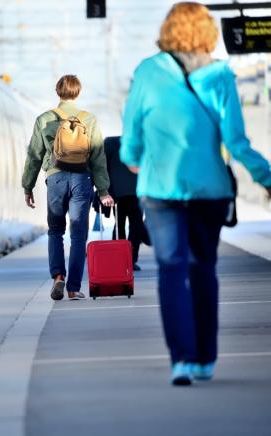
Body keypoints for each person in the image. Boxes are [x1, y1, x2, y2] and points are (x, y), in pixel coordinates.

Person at [120, 2, 271, 385]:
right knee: (202, 268)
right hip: (209, 190)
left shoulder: (148, 72)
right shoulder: (220, 74)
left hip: (160, 190)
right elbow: (236, 141)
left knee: (171, 269)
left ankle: (182, 361)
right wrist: (265, 177)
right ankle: (205, 359)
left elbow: (131, 142)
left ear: (168, 29)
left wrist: (138, 159)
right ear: (208, 31)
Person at [22, 75, 114, 301]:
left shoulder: (44, 119)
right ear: (78, 92)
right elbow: (98, 158)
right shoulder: (89, 120)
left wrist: (28, 186)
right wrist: (103, 190)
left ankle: (58, 277)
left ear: (57, 92)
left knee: (55, 231)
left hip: (55, 179)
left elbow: (34, 156)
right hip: (82, 180)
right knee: (78, 235)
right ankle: (73, 288)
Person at [103, 136, 148, 270]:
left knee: (119, 226)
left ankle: (119, 259)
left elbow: (105, 168)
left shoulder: (110, 145)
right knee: (135, 227)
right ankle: (131, 260)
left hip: (118, 193)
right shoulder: (140, 144)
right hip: (135, 193)